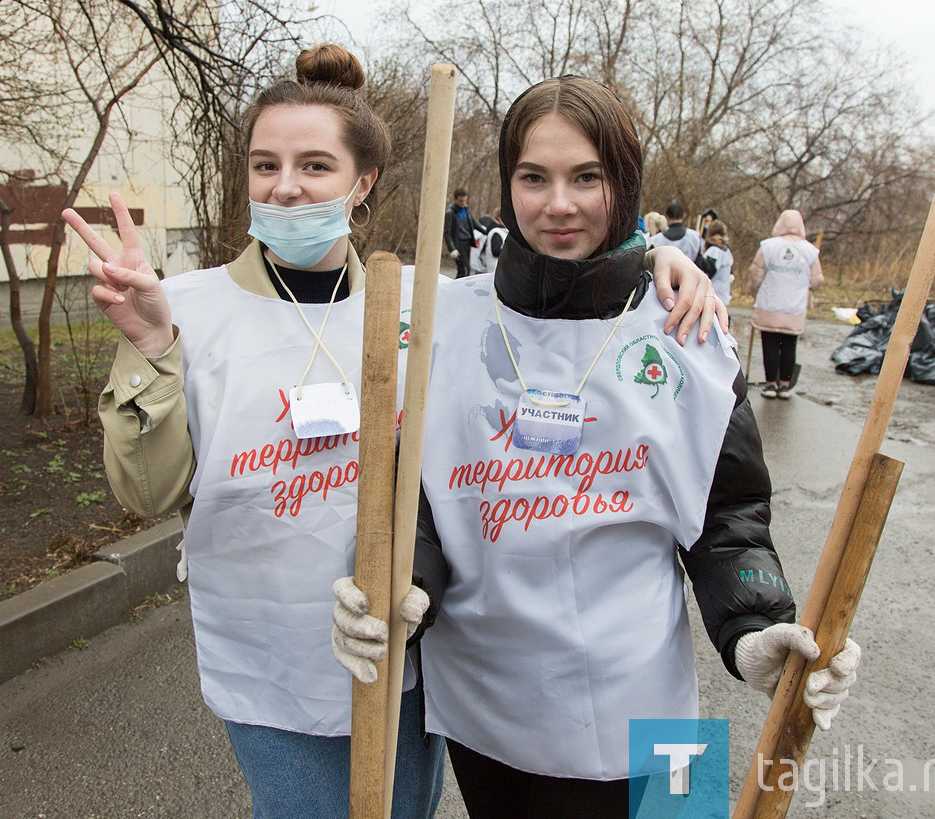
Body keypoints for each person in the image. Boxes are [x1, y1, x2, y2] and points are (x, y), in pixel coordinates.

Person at [333, 75, 859, 817]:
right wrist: (395, 581)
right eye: (533, 177)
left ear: (625, 178)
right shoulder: (443, 323)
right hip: (492, 712)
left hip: (655, 705)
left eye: (588, 177)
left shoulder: (687, 333)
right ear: (507, 182)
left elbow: (729, 513)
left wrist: (756, 625)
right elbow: (416, 492)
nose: (559, 203)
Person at [60, 45, 447, 819]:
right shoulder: (181, 308)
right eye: (264, 164)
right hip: (267, 660)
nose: (285, 185)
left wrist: (662, 269)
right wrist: (152, 351)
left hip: (399, 652)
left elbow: (543, 323)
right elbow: (147, 491)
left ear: (361, 182)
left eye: (314, 164)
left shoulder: (424, 307)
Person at [749, 209, 824, 399]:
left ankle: (771, 384)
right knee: (790, 345)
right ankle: (785, 384)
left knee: (770, 345)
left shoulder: (768, 246)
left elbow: (755, 275)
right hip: (794, 306)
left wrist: (754, 292)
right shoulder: (810, 251)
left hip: (770, 303)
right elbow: (817, 281)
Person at [444, 187, 482, 278]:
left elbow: (474, 223)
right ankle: (455, 289)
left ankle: (458, 288)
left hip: (467, 243)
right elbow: (447, 233)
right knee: (464, 269)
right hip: (458, 244)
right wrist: (452, 248)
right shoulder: (451, 212)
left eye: (465, 201)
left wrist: (488, 231)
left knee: (465, 270)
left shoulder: (466, 209)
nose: (463, 203)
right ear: (455, 199)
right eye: (461, 201)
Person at [704, 218, 734, 306]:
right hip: (723, 294)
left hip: (713, 294)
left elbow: (707, 272)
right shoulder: (727, 251)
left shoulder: (714, 251)